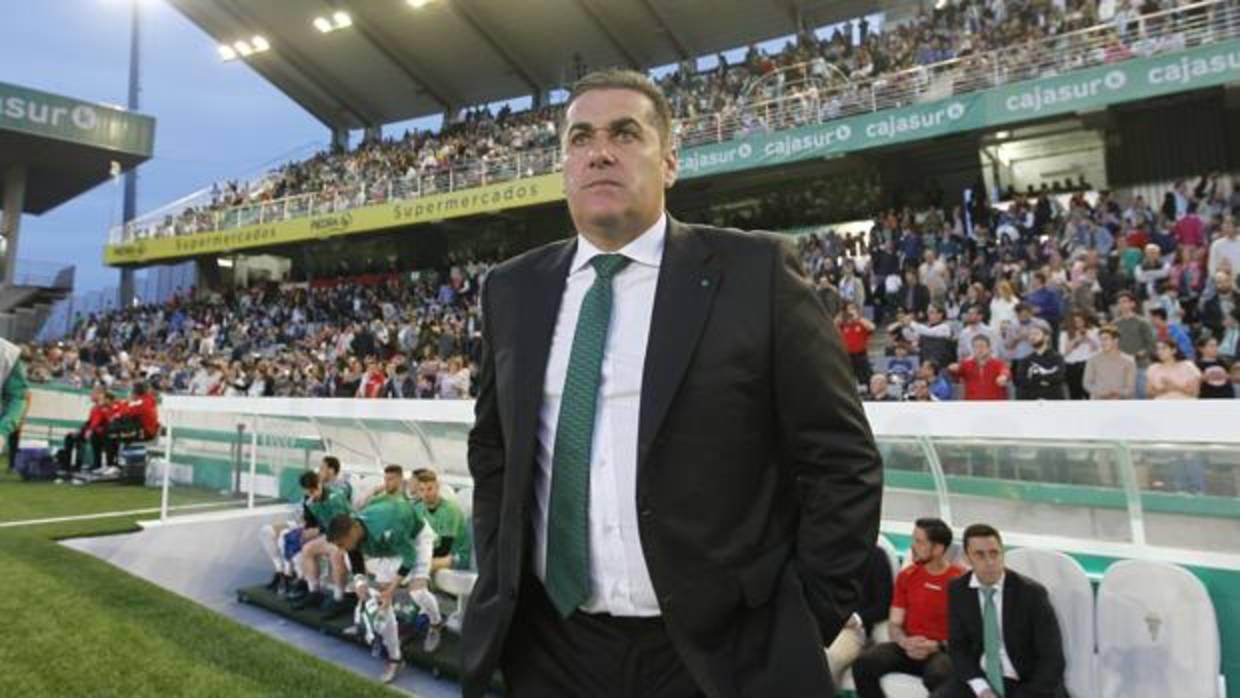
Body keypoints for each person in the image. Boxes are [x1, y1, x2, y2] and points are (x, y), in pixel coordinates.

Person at [463, 69, 882, 698]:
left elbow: (841, 459)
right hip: (553, 647)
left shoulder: (754, 272)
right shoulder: (512, 288)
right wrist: (501, 570)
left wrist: (804, 613)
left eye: (625, 133)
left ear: (672, 162)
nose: (599, 151)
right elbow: (495, 449)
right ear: (564, 166)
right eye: (581, 138)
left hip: (717, 653)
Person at [931, 524, 1066, 698]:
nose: (989, 562)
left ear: (1003, 553)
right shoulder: (958, 590)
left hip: (1027, 683)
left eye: (994, 553)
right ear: (967, 558)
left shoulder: (1032, 594)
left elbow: (1052, 659)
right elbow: (958, 647)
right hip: (981, 678)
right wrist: (981, 689)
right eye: (980, 555)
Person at [853, 518, 965, 698]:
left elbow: (967, 632)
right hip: (906, 647)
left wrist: (936, 646)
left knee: (940, 675)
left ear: (938, 549)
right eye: (914, 540)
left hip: (940, 651)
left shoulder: (960, 581)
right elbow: (894, 624)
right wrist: (904, 641)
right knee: (863, 664)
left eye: (920, 542)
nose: (913, 546)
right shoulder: (907, 576)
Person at [327, 495, 444, 663]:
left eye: (340, 543)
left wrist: (392, 588)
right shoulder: (354, 529)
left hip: (416, 538)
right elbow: (353, 552)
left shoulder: (389, 527)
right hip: (392, 543)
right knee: (381, 592)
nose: (340, 548)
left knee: (417, 591)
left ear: (353, 531)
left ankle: (436, 623)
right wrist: (360, 582)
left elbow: (409, 557)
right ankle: (385, 635)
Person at [825, 542, 895, 687]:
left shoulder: (876, 556)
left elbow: (883, 605)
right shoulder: (823, 553)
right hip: (818, 621)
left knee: (828, 658)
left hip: (851, 629)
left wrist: (856, 619)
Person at [289, 470, 355, 618]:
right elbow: (315, 522)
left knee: (335, 553)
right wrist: (309, 531)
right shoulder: (310, 500)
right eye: (308, 492)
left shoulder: (335, 498)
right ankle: (314, 592)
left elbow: (342, 524)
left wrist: (318, 530)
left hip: (349, 534)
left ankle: (339, 598)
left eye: (314, 490)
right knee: (307, 549)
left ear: (320, 484)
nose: (312, 495)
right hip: (332, 534)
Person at [411, 469, 472, 573]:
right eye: (422, 490)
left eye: (429, 489)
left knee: (422, 565)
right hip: (431, 551)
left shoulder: (450, 510)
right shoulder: (418, 509)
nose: (426, 494)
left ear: (437, 487)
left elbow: (444, 549)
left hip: (454, 555)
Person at [948, 336, 1011, 401]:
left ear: (989, 348)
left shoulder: (998, 363)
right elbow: (955, 373)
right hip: (972, 404)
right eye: (976, 347)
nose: (979, 349)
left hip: (994, 404)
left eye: (982, 346)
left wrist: (1003, 376)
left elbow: (1005, 371)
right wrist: (952, 369)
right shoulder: (966, 364)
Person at [1082, 326, 1137, 399]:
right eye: (1101, 340)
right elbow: (1087, 383)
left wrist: (1116, 392)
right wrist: (1101, 392)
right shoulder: (1092, 359)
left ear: (1116, 340)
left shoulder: (1129, 360)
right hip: (1098, 403)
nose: (1102, 342)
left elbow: (1130, 388)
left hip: (1121, 403)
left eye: (1105, 339)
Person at [1014, 325, 1066, 400]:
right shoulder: (1025, 360)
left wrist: (1034, 380)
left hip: (1053, 401)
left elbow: (1058, 378)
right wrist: (1044, 381)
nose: (1032, 337)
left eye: (1036, 334)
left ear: (1046, 337)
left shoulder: (1057, 358)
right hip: (1031, 402)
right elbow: (1022, 380)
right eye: (1030, 335)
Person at [0, 337, 31, 463]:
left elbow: (18, 397)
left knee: (14, 443)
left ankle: (12, 464)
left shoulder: (7, 352)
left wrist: (2, 431)